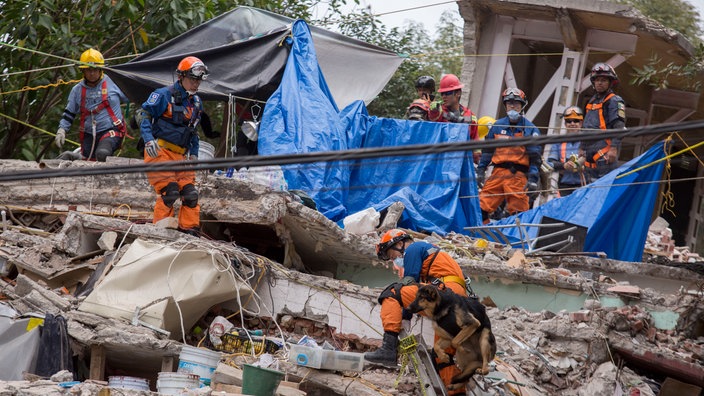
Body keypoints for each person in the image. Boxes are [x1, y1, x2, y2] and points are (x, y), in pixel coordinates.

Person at [366, 229, 469, 395]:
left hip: (445, 295)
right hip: (458, 307)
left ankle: (388, 348)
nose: (393, 259)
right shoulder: (434, 258)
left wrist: (403, 318)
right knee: (442, 358)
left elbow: (409, 282)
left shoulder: (415, 248)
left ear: (399, 243)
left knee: (392, 293)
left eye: (391, 254)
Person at [137, 56, 207, 235]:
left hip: (181, 156)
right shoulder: (163, 95)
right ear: (181, 76)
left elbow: (193, 131)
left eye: (198, 80)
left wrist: (194, 155)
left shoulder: (196, 103)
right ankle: (159, 231)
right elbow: (143, 113)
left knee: (191, 195)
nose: (196, 83)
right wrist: (148, 139)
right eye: (193, 79)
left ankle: (189, 232)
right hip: (160, 151)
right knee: (170, 193)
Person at [476, 88, 542, 224]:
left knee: (519, 216)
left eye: (516, 103)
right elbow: (487, 151)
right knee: (480, 209)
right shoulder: (497, 126)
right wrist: (481, 170)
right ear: (505, 105)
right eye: (509, 103)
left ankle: (515, 240)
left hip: (518, 177)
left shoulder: (530, 129)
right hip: (497, 174)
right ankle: (483, 234)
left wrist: (533, 179)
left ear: (522, 105)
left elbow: (535, 158)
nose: (512, 106)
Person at [55, 48, 128, 161]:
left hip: (111, 130)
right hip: (89, 134)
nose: (92, 73)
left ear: (100, 69)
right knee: (88, 160)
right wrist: (62, 130)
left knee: (102, 154)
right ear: (83, 71)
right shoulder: (77, 90)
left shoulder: (114, 83)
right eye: (88, 70)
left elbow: (132, 96)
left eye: (95, 69)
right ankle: (73, 156)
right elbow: (69, 113)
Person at [581, 62, 626, 180]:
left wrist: (613, 149)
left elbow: (619, 127)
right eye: (597, 80)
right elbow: (585, 127)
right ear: (593, 82)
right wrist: (581, 147)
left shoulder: (614, 101)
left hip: (605, 154)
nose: (600, 83)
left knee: (603, 190)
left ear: (610, 82)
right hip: (589, 155)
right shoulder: (591, 101)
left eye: (604, 80)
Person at [428, 74, 480, 162]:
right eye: (442, 93)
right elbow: (433, 118)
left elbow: (475, 141)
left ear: (458, 93)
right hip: (439, 161)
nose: (444, 96)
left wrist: (478, 159)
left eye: (447, 93)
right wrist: (433, 110)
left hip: (461, 163)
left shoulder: (470, 116)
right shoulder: (439, 111)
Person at [547, 106, 587, 197]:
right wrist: (563, 165)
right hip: (564, 186)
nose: (572, 123)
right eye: (569, 121)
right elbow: (550, 163)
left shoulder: (587, 141)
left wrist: (582, 166)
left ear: (581, 123)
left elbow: (594, 162)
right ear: (565, 124)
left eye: (576, 121)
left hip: (583, 185)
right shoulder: (559, 142)